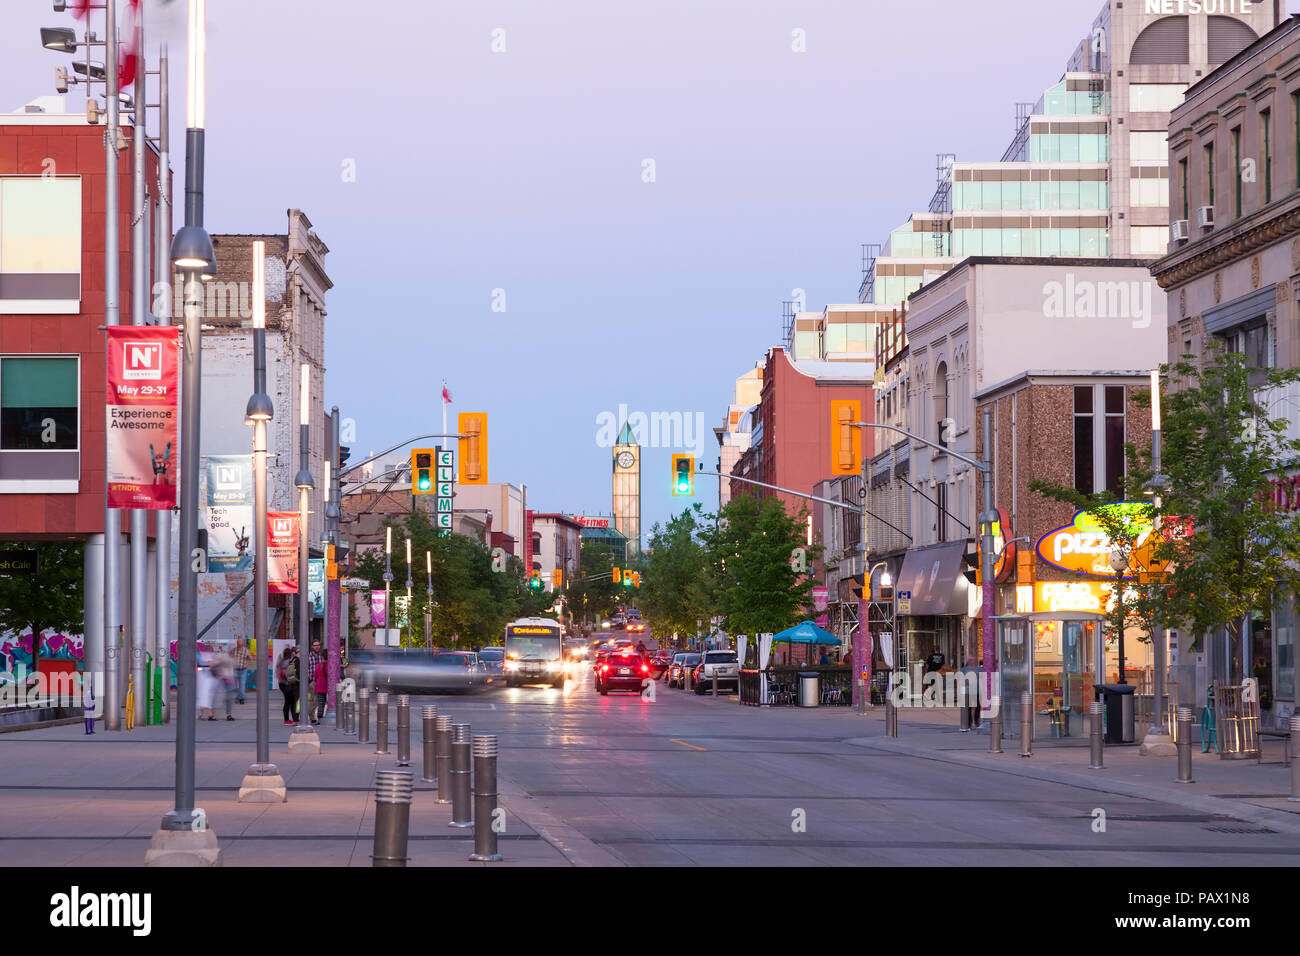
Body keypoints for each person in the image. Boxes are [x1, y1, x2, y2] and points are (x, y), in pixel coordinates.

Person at [210, 645, 236, 720]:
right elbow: (217, 664)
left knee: (229, 698)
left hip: (229, 680)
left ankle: (229, 714)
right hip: (222, 679)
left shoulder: (231, 658)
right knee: (217, 697)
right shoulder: (225, 656)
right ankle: (212, 714)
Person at [277, 647, 299, 725]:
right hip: (287, 684)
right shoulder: (288, 662)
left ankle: (289, 719)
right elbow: (290, 674)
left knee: (288, 701)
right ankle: (288, 719)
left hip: (281, 683)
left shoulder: (281, 661)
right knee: (290, 702)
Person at [959, 656, 980, 731]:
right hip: (968, 692)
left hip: (977, 691)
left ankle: (976, 722)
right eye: (970, 660)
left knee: (977, 707)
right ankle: (968, 723)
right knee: (968, 708)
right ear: (968, 661)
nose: (972, 661)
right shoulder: (964, 669)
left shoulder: (979, 669)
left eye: (973, 660)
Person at [231, 638, 253, 705]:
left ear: (242, 643)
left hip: (243, 670)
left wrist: (251, 667)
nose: (239, 644)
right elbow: (230, 657)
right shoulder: (234, 650)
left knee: (242, 685)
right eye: (238, 642)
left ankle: (241, 699)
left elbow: (250, 659)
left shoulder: (246, 650)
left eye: (240, 642)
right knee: (236, 686)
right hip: (235, 670)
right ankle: (239, 697)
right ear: (237, 643)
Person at [313, 648, 329, 724]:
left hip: (319, 686)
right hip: (328, 686)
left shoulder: (319, 665)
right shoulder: (330, 666)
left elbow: (315, 675)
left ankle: (319, 718)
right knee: (329, 702)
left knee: (320, 703)